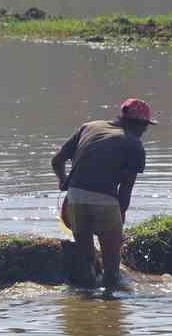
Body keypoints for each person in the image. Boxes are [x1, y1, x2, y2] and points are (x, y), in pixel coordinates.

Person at [52, 98, 155, 288]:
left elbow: (57, 161)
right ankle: (110, 299)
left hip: (75, 197)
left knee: (86, 259)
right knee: (111, 266)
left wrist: (63, 181)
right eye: (145, 126)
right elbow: (125, 189)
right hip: (105, 201)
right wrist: (120, 219)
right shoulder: (133, 144)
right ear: (140, 124)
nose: (144, 131)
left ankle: (86, 297)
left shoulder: (89, 127)